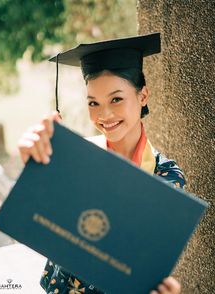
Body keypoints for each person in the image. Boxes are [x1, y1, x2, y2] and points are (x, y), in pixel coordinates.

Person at [18, 33, 185, 294]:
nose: (104, 115)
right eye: (93, 103)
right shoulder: (78, 159)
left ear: (143, 96)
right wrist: (37, 167)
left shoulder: (165, 178)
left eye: (116, 99)